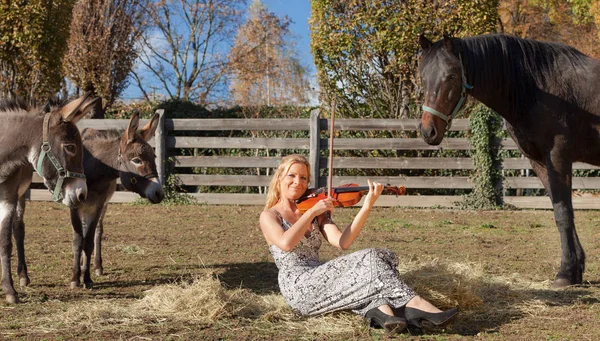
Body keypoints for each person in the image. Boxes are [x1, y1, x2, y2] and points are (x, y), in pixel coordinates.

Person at [259, 154, 458, 334]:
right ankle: (414, 304)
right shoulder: (269, 216)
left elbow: (343, 242)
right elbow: (286, 243)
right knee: (371, 258)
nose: (298, 182)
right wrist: (312, 212)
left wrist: (367, 206)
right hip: (299, 287)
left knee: (382, 255)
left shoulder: (315, 209)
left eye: (303, 178)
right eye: (292, 176)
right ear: (279, 178)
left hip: (320, 277)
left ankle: (385, 314)